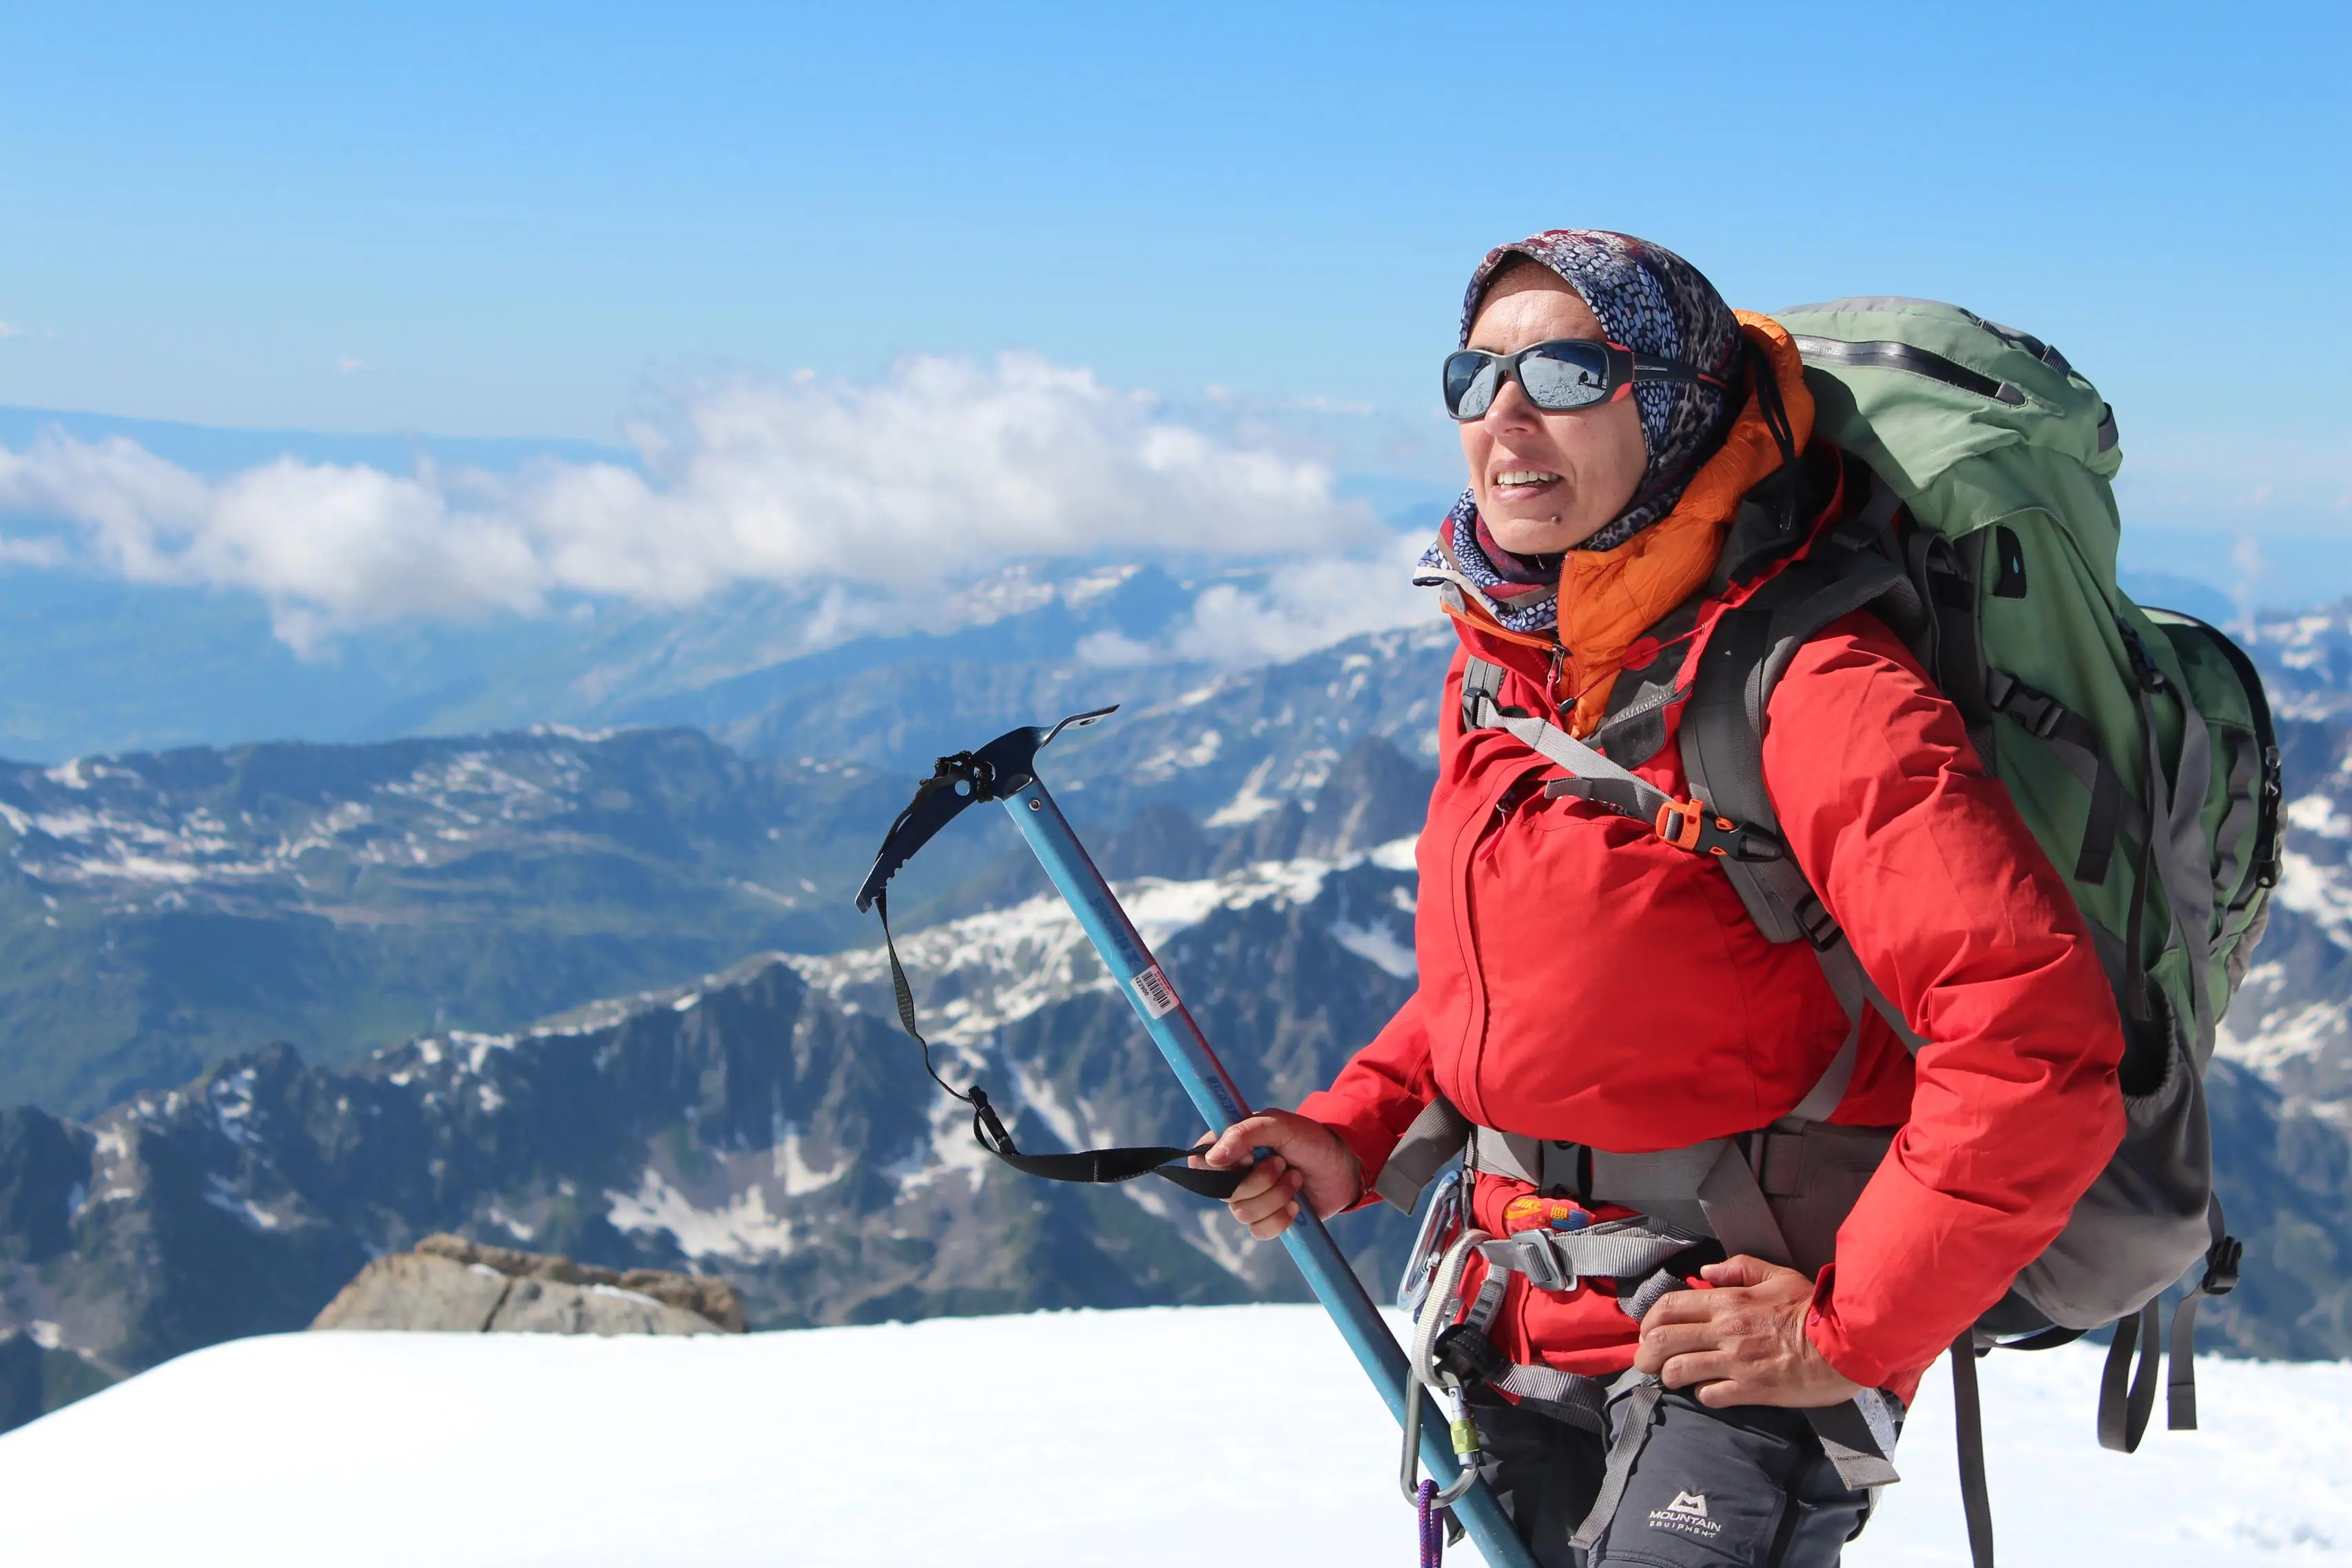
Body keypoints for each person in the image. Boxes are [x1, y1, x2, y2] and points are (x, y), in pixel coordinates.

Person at [1197, 231, 2126, 1567]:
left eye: (1568, 372)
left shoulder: (1809, 686)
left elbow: (2038, 1036)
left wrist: (1845, 1330)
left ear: (1680, 401)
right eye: (1477, 375)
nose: (1505, 416)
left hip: (1736, 1345)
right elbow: (1524, 987)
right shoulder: (1506, 665)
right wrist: (1357, 1130)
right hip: (1519, 1320)